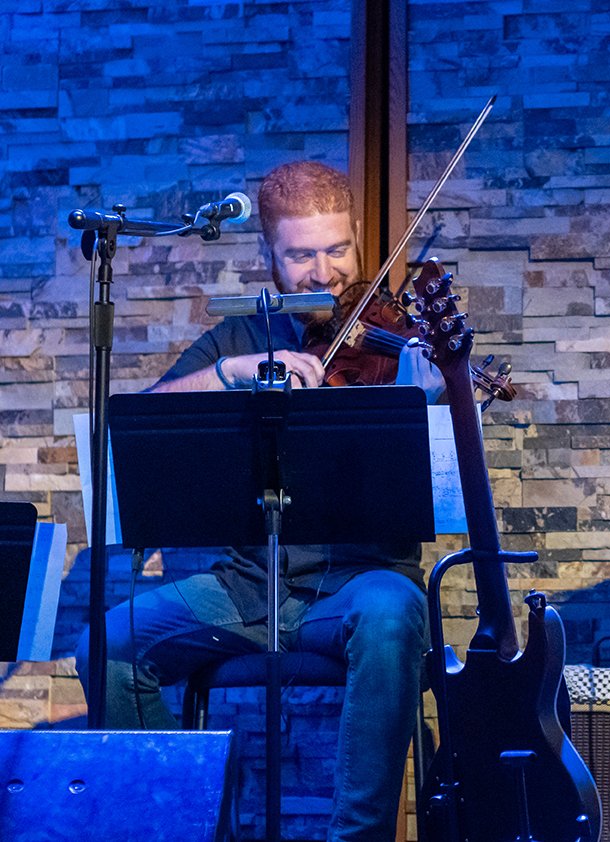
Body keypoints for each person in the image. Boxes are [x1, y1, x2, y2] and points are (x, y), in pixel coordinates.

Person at [76, 161, 438, 841]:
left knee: (395, 610)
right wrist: (226, 374)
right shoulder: (241, 335)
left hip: (358, 585)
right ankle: (185, 827)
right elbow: (143, 419)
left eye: (337, 249)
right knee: (108, 643)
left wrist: (435, 398)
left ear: (358, 239)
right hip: (247, 588)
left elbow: (443, 470)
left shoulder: (394, 338)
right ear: (268, 254)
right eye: (300, 254)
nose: (324, 273)